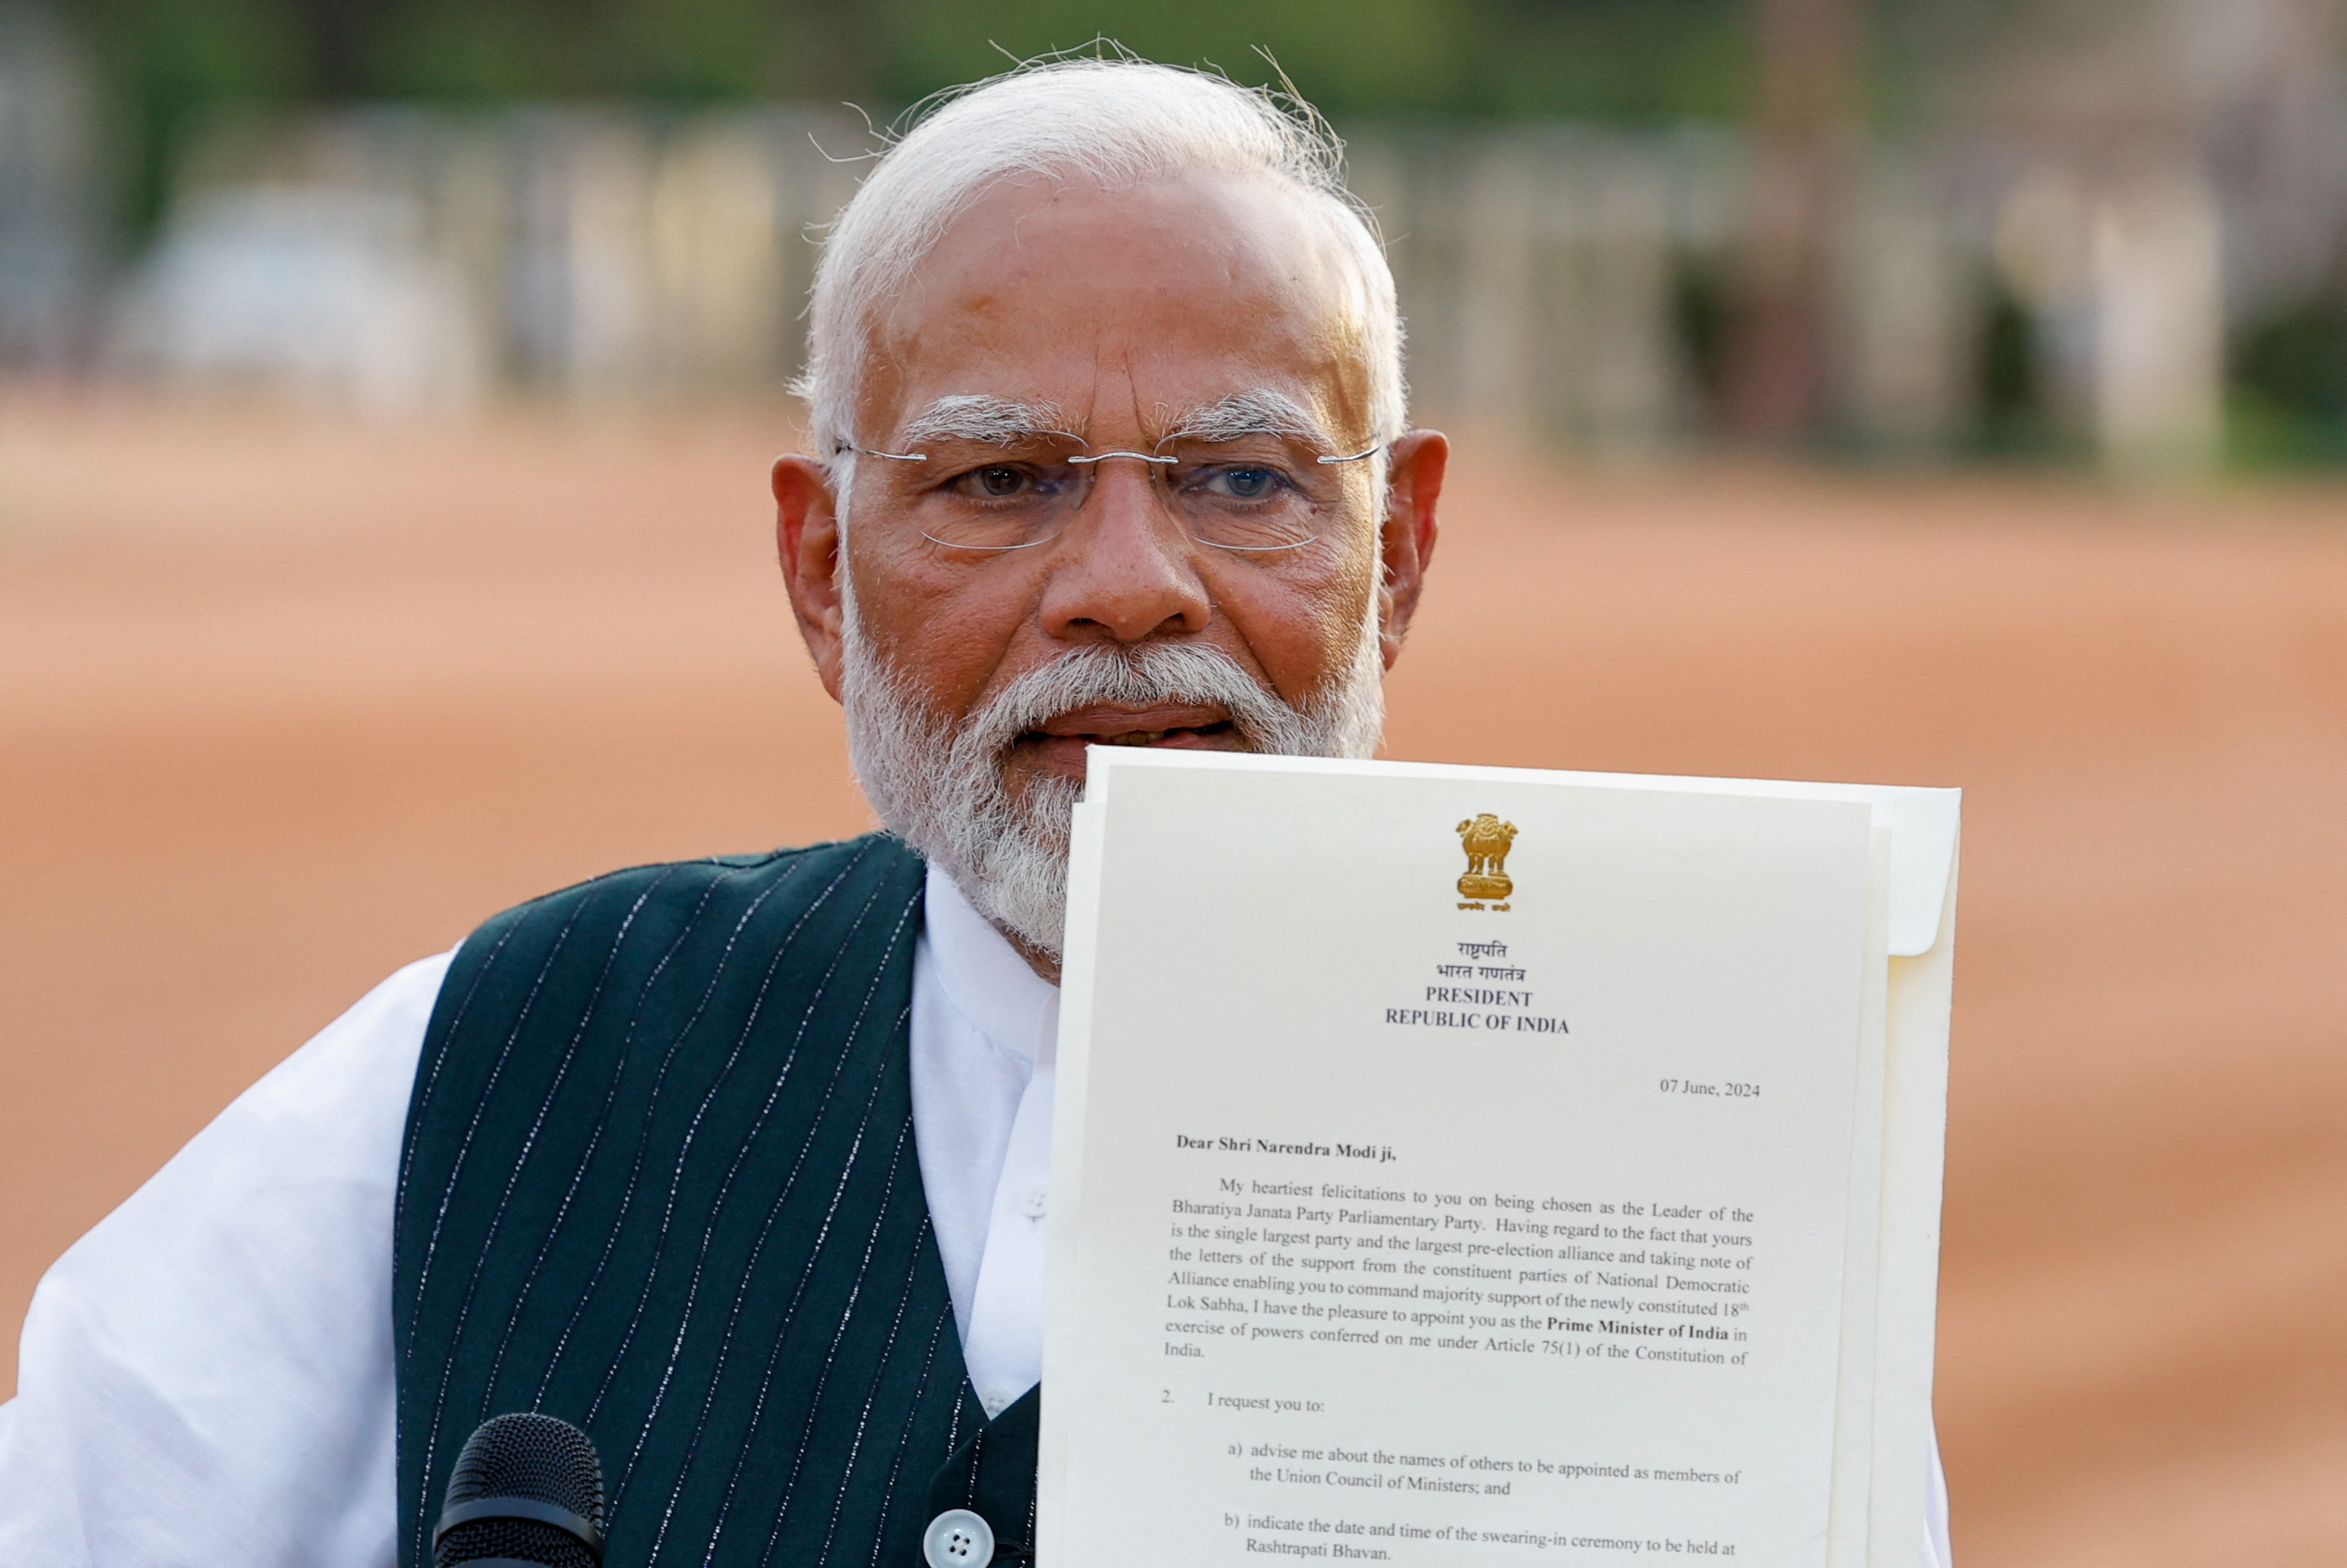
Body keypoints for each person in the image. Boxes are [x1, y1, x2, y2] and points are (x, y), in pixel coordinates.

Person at [0, 57, 1953, 1568]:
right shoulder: (502, 1069)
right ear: (820, 571)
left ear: (1406, 550)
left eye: (1245, 479)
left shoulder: (1716, 1163)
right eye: (1003, 479)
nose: (1129, 583)